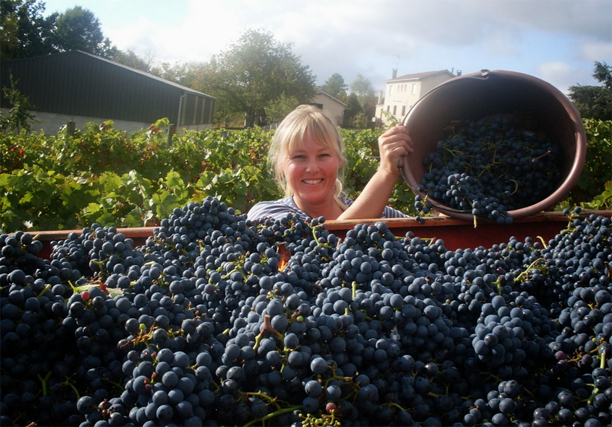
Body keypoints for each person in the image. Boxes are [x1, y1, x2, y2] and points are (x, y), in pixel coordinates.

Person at [247, 104, 413, 222]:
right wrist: (386, 173)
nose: (312, 168)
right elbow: (324, 249)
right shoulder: (267, 215)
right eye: (299, 157)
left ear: (339, 159)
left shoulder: (379, 211)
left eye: (323, 155)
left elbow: (431, 235)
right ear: (281, 164)